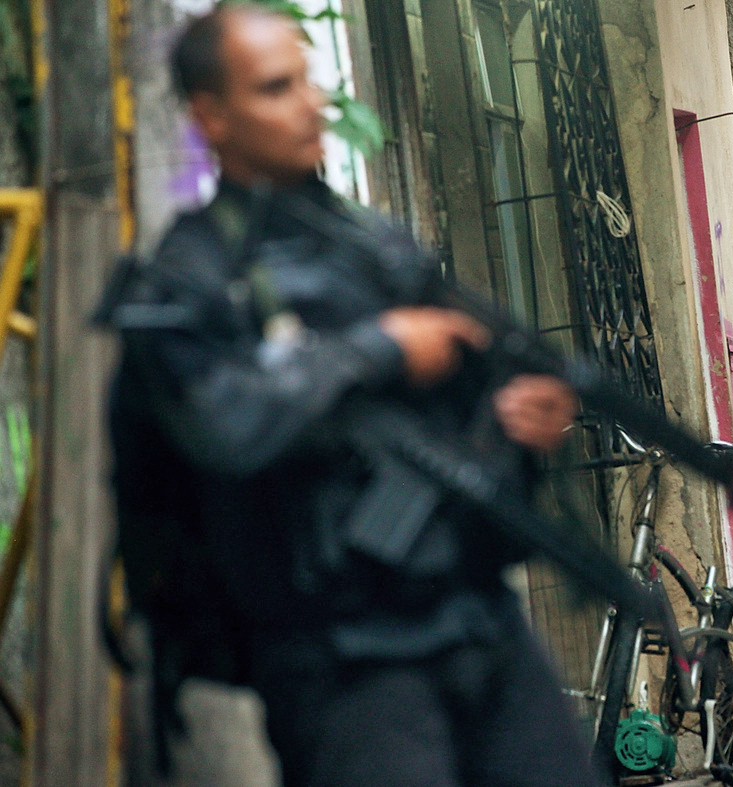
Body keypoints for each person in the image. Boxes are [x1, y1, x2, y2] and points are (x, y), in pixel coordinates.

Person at [106, 6, 595, 785]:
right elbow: (228, 424)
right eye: (276, 87)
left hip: (478, 622)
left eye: (308, 79)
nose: (311, 103)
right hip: (346, 663)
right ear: (212, 117)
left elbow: (456, 402)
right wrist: (382, 347)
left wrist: (509, 421)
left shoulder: (369, 244)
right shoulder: (185, 278)